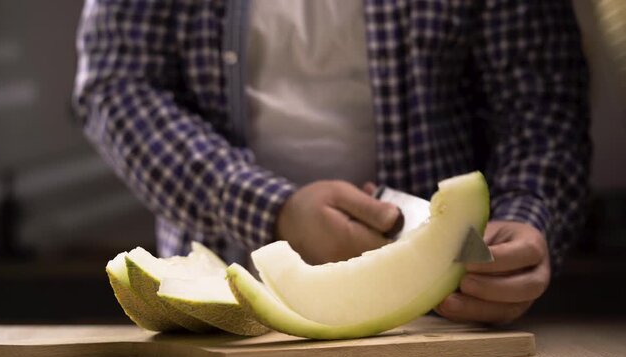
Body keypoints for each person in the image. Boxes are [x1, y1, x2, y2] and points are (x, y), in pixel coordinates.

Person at [74, 0, 591, 324]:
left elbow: (542, 98)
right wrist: (272, 210)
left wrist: (527, 215)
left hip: (443, 317)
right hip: (221, 311)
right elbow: (117, 85)